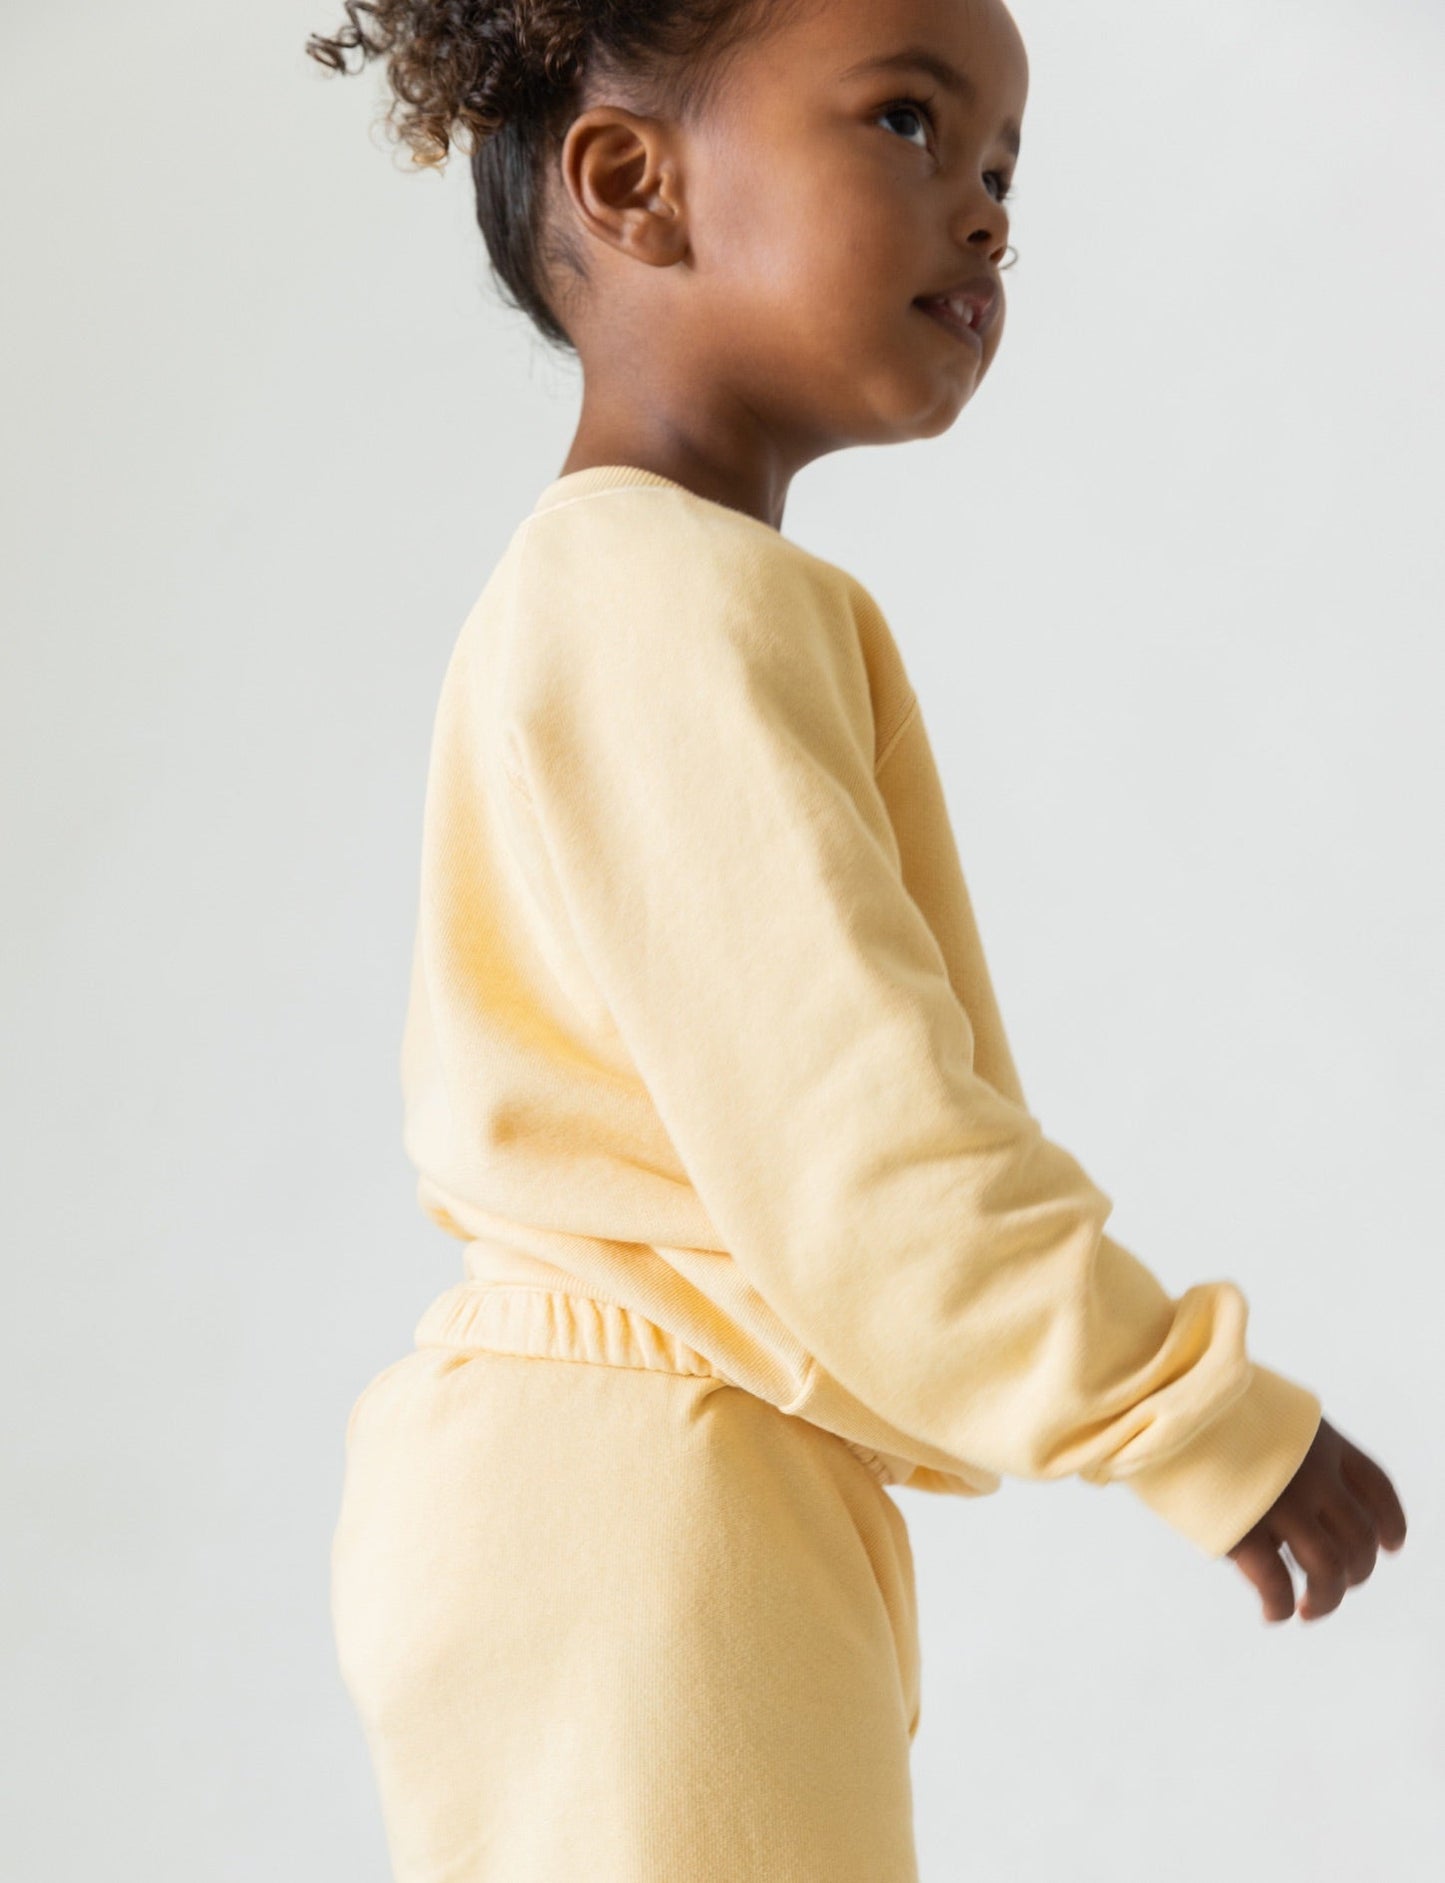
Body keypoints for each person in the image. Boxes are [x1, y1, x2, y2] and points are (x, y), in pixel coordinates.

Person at [307, 1, 1409, 1876]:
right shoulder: (655, 599)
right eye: (906, 125)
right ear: (633, 185)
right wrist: (1186, 1415)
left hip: (616, 1488)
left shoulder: (648, 590)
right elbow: (856, 1133)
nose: (982, 213)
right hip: (642, 1502)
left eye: (1000, 168)